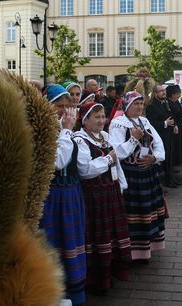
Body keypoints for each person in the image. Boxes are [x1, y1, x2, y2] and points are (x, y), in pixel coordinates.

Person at [73, 102, 131, 295]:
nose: (101, 120)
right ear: (85, 119)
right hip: (94, 196)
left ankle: (110, 273)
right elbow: (85, 170)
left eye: (103, 116)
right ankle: (96, 279)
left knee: (111, 234)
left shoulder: (104, 137)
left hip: (110, 192)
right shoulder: (80, 139)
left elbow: (117, 165)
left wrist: (121, 186)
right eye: (96, 117)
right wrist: (107, 159)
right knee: (97, 235)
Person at [39, 85, 86, 305]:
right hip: (53, 197)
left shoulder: (64, 129)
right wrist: (67, 130)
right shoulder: (43, 130)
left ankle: (74, 291)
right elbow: (58, 162)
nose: (63, 111)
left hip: (71, 194)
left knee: (72, 242)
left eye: (66, 106)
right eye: (59, 106)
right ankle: (55, 292)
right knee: (54, 242)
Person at [109, 92, 166, 263]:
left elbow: (159, 142)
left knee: (146, 212)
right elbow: (117, 152)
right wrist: (134, 139)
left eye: (141, 103)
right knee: (132, 213)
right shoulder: (118, 124)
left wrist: (155, 158)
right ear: (127, 106)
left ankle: (144, 250)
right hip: (130, 175)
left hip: (147, 173)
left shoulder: (145, 121)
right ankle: (130, 252)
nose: (140, 107)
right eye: (136, 104)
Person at [146, 85, 176, 188]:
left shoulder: (165, 103)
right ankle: (162, 182)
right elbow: (151, 124)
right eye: (161, 91)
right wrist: (165, 123)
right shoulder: (151, 106)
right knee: (162, 159)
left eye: (164, 90)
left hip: (168, 134)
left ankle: (170, 179)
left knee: (169, 157)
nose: (164, 92)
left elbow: (170, 116)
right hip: (160, 136)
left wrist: (174, 125)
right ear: (155, 93)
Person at [167, 85, 182, 169]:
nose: (179, 95)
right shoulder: (170, 102)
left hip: (180, 127)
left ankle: (179, 162)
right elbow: (179, 113)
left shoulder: (175, 102)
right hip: (176, 128)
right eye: (178, 93)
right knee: (177, 146)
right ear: (173, 94)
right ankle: (176, 163)